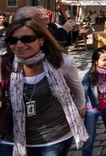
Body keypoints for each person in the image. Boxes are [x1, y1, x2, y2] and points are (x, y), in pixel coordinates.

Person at [0, 17, 88, 155]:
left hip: (52, 139)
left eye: (27, 39)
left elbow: (77, 88)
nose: (19, 45)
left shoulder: (62, 62)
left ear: (41, 39)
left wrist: (80, 107)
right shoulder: (4, 64)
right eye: (12, 40)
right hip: (12, 139)